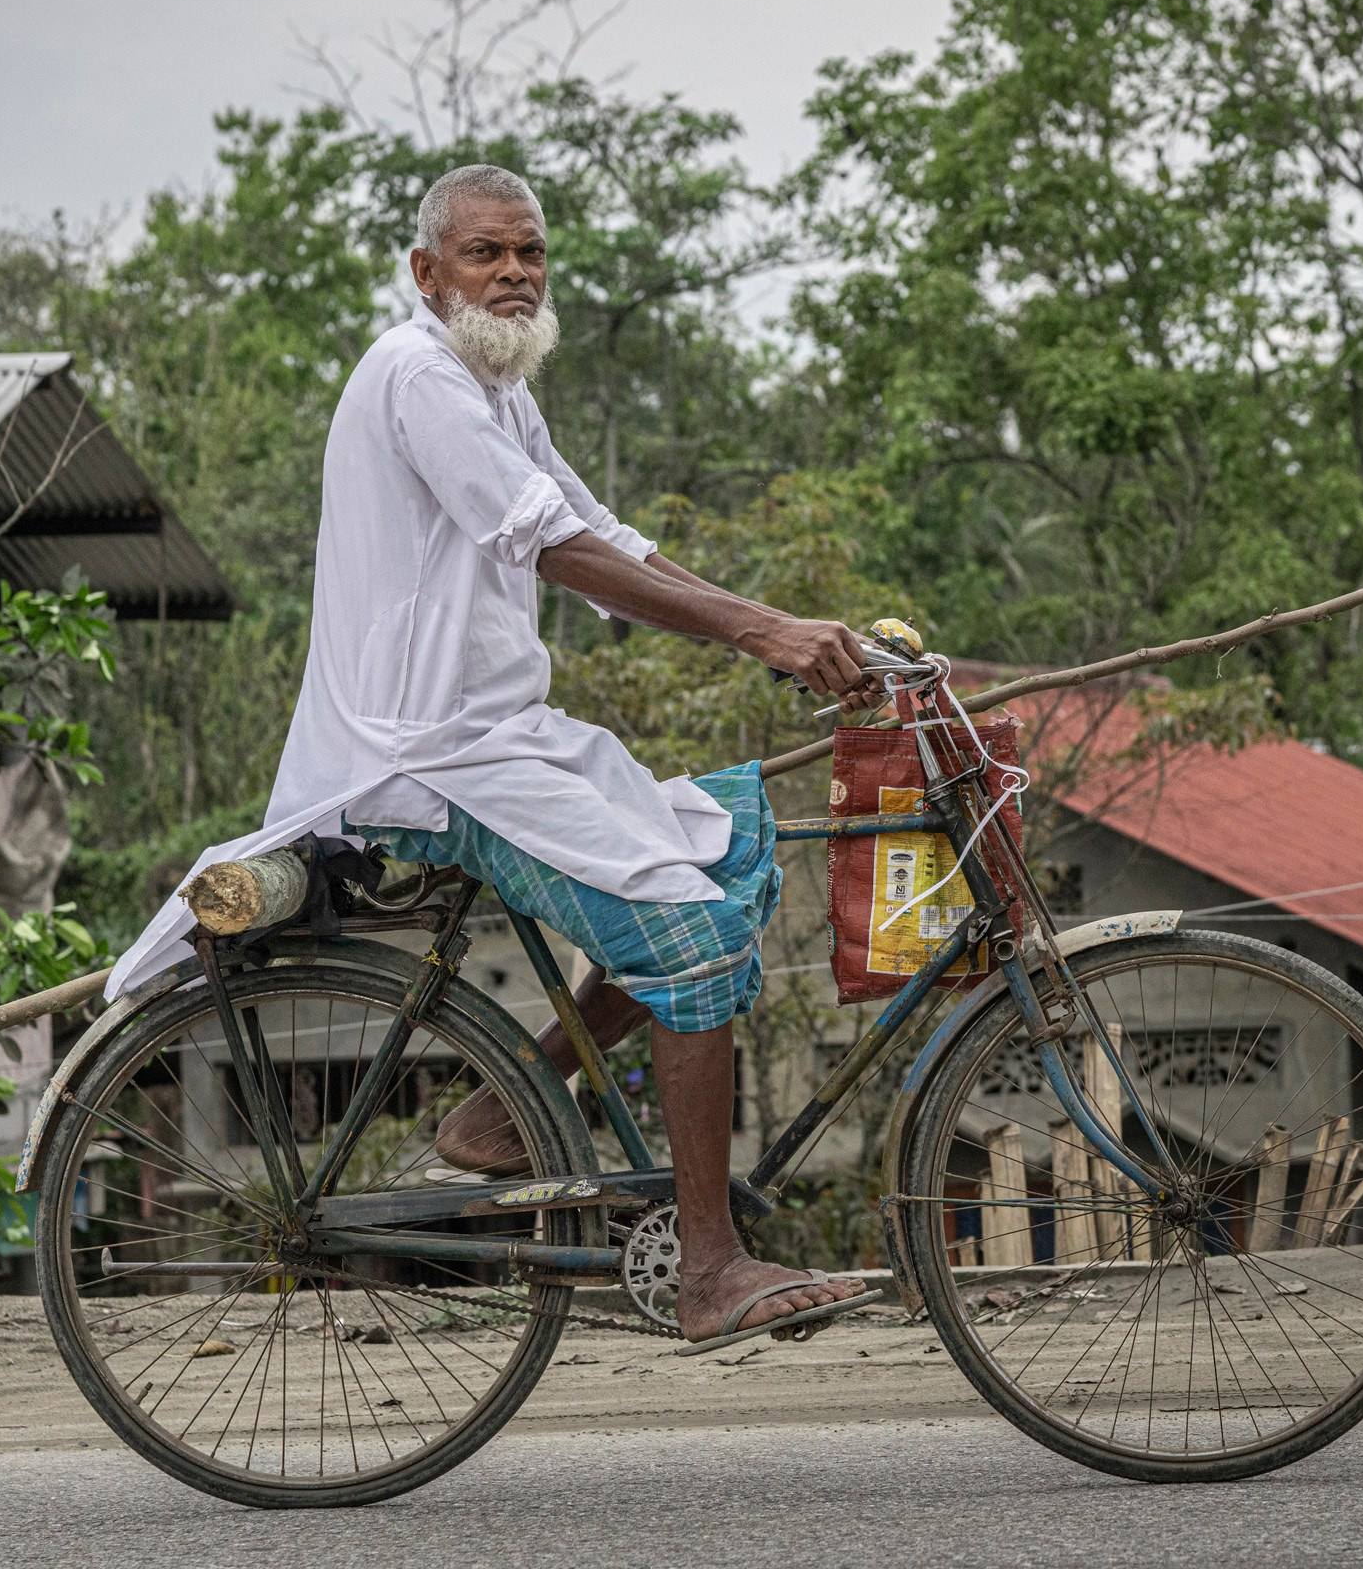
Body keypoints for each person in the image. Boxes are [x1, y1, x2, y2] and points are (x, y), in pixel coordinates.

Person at [109, 163, 869, 1347]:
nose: (514, 275)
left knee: (724, 857)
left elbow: (602, 534)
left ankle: (501, 1116)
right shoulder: (418, 375)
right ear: (428, 272)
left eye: (531, 255)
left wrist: (783, 630)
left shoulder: (499, 388)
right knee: (678, 922)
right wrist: (766, 632)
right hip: (418, 760)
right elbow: (548, 543)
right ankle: (712, 1270)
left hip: (502, 740)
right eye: (485, 255)